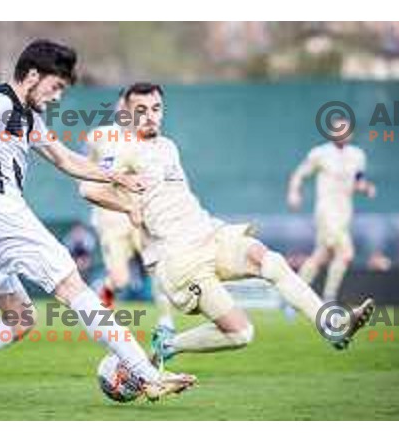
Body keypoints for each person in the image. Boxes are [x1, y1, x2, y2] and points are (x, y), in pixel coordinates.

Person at [0, 41, 195, 409]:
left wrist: (115, 176)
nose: (57, 98)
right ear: (34, 76)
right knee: (73, 286)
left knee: (19, 319)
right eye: (55, 88)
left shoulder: (29, 118)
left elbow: (67, 160)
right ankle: (149, 376)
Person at [79, 83, 375, 367]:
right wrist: (128, 205)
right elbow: (89, 190)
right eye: (140, 110)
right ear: (127, 114)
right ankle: (168, 345)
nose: (149, 116)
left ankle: (331, 324)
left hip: (210, 233)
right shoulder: (122, 150)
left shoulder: (168, 146)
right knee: (241, 334)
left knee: (270, 261)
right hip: (181, 259)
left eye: (156, 108)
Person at [85, 110, 175, 330]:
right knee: (121, 279)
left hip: (143, 214)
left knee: (158, 267)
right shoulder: (100, 137)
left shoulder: (152, 140)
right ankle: (106, 290)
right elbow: (87, 170)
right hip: (113, 217)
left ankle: (166, 322)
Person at [287, 128, 376, 302]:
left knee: (321, 256)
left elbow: (359, 182)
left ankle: (293, 297)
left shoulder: (357, 155)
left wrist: (367, 189)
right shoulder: (320, 153)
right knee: (345, 252)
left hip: (344, 212)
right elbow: (299, 173)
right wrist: (294, 192)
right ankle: (329, 297)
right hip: (326, 210)